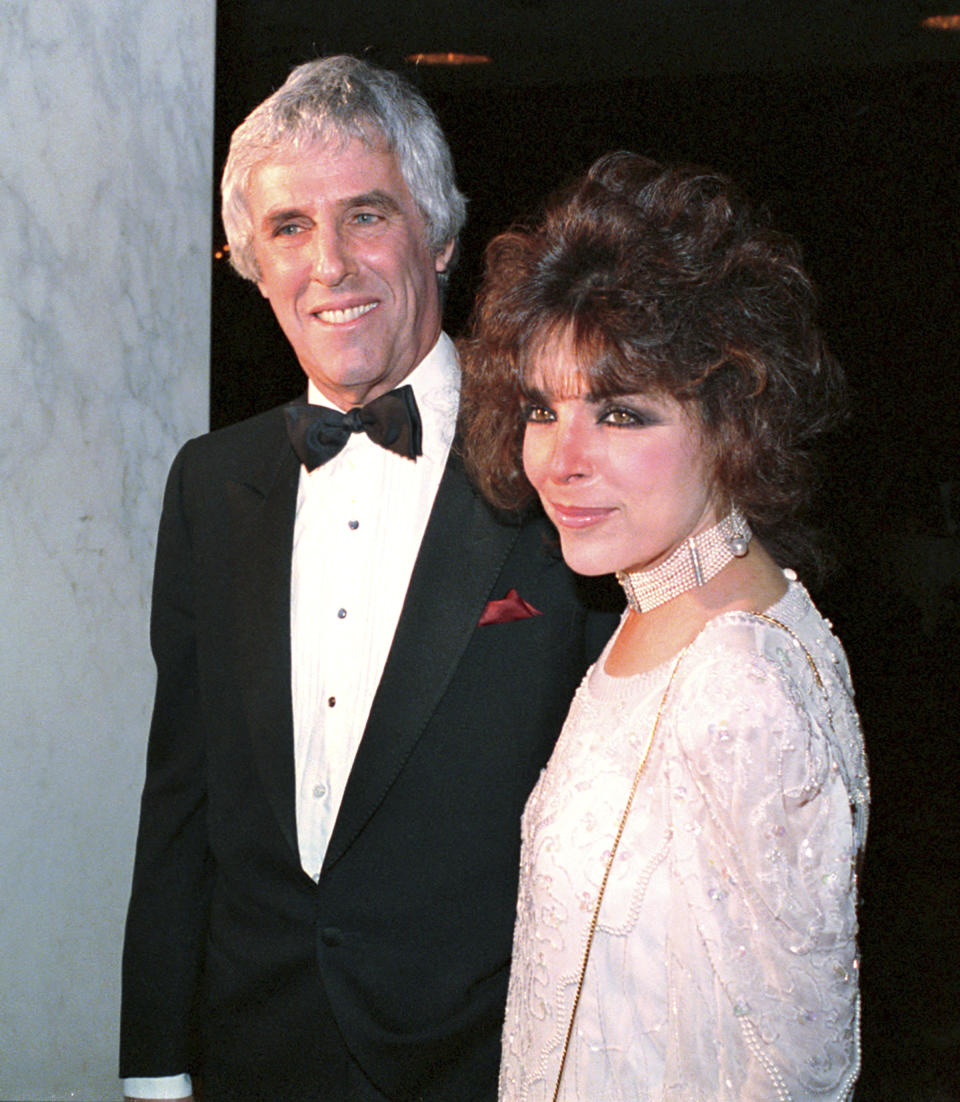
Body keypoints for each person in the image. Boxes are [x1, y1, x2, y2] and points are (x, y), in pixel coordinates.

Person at [119, 57, 617, 1102]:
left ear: (437, 234)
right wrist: (155, 1065)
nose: (330, 265)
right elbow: (181, 799)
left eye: (367, 215)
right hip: (252, 1053)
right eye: (289, 228)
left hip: (482, 1062)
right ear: (253, 262)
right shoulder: (211, 483)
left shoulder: (558, 467)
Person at [460, 152, 870, 1101]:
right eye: (541, 408)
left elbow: (797, 1074)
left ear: (735, 418)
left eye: (620, 413)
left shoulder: (737, 682)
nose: (561, 460)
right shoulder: (656, 616)